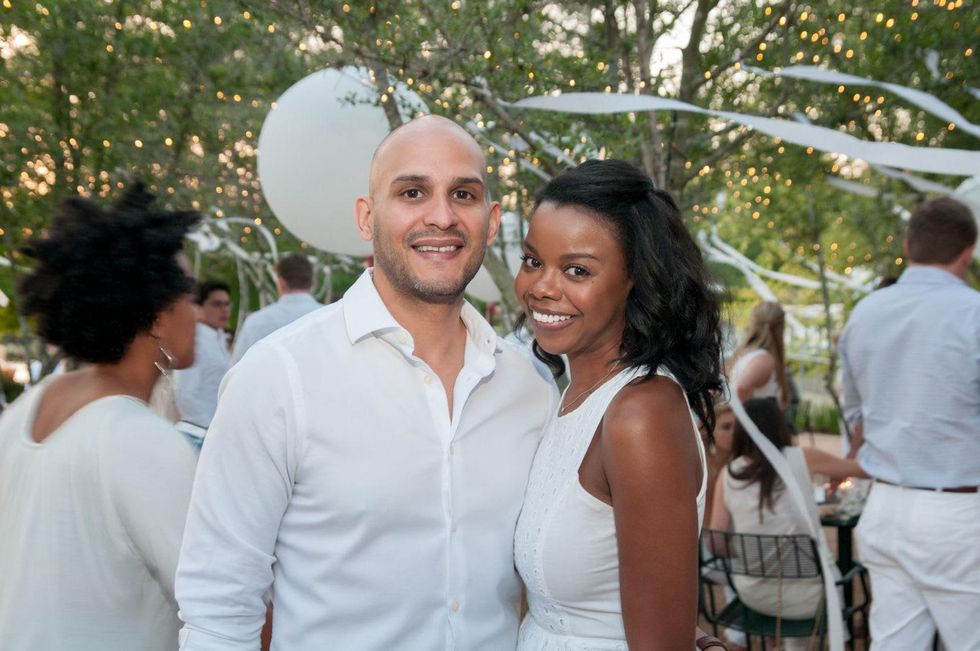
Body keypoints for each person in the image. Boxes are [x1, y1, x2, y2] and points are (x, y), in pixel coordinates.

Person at [175, 115, 557, 650]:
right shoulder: (279, 376)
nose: (442, 216)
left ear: (490, 221)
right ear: (367, 216)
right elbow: (219, 606)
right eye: (413, 191)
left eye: (463, 194)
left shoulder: (531, 389)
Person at [512, 159, 726, 649]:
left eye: (577, 270)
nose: (542, 286)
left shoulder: (640, 413)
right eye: (532, 261)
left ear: (635, 279)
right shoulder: (567, 394)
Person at [0, 183, 200, 650]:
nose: (198, 314)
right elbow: (220, 599)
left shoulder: (29, 406)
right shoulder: (137, 439)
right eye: (188, 298)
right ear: (157, 317)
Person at [839, 196, 979, 650]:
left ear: (907, 245)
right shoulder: (973, 314)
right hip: (957, 514)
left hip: (885, 509)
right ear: (968, 252)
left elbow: (856, 425)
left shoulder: (866, 312)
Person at [708, 398, 866, 627]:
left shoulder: (728, 473)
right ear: (781, 426)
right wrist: (856, 445)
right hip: (812, 598)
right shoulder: (802, 457)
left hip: (753, 595)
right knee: (840, 574)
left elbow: (716, 542)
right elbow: (863, 470)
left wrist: (754, 549)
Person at [231, 253, 322, 363]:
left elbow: (237, 370)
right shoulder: (335, 318)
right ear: (313, 281)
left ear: (281, 282)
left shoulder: (255, 322)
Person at [173, 280, 232, 431]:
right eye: (217, 304)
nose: (224, 310)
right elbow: (184, 392)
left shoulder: (218, 338)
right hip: (200, 431)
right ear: (199, 307)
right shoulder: (195, 340)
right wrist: (206, 428)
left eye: (227, 304)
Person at [728, 301, 789, 406]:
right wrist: (746, 419)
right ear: (781, 327)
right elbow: (742, 388)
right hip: (754, 421)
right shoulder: (763, 359)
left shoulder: (748, 355)